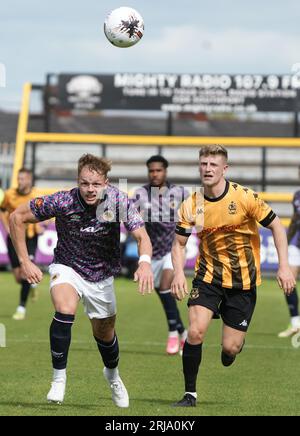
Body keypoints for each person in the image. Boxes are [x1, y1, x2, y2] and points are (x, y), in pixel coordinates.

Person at [9, 154, 153, 408]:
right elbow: (16, 218)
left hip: (101, 275)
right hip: (68, 267)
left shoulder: (118, 200)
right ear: (78, 181)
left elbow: (142, 236)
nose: (89, 189)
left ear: (106, 183)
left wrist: (144, 263)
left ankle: (113, 376)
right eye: (85, 183)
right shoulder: (63, 200)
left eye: (96, 184)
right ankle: (58, 379)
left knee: (105, 334)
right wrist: (25, 261)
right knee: (64, 310)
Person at [171, 145, 296, 407]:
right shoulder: (191, 204)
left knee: (230, 348)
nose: (207, 169)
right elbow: (179, 244)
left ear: (224, 169)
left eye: (213, 165)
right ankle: (189, 394)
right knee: (195, 332)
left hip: (243, 282)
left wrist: (284, 266)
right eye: (203, 164)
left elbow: (276, 227)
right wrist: (178, 275)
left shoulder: (244, 197)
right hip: (207, 278)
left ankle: (233, 349)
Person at [133, 155, 187, 355]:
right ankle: (183, 332)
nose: (155, 174)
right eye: (151, 171)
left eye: (158, 170)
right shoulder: (140, 194)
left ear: (165, 171)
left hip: (173, 248)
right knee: (165, 296)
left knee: (165, 286)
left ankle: (173, 332)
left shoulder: (178, 193)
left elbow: (192, 217)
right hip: (151, 252)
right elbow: (130, 217)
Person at [0, 168, 42, 320]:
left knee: (26, 272)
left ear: (29, 180)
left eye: (23, 178)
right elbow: (2, 210)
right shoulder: (10, 194)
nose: (20, 181)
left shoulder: (36, 196)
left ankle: (21, 307)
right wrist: (7, 228)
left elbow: (45, 213)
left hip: (30, 237)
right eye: (19, 178)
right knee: (18, 277)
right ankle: (31, 286)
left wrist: (41, 226)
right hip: (14, 238)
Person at [278, 179, 300, 337]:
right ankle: (295, 323)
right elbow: (294, 220)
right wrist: (285, 241)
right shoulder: (297, 196)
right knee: (288, 281)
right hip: (297, 245)